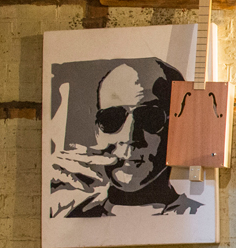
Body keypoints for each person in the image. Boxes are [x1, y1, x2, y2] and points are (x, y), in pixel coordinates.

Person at [48, 58, 203, 218]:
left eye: (149, 118)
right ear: (96, 130)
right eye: (111, 118)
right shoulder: (71, 211)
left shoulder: (197, 217)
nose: (129, 136)